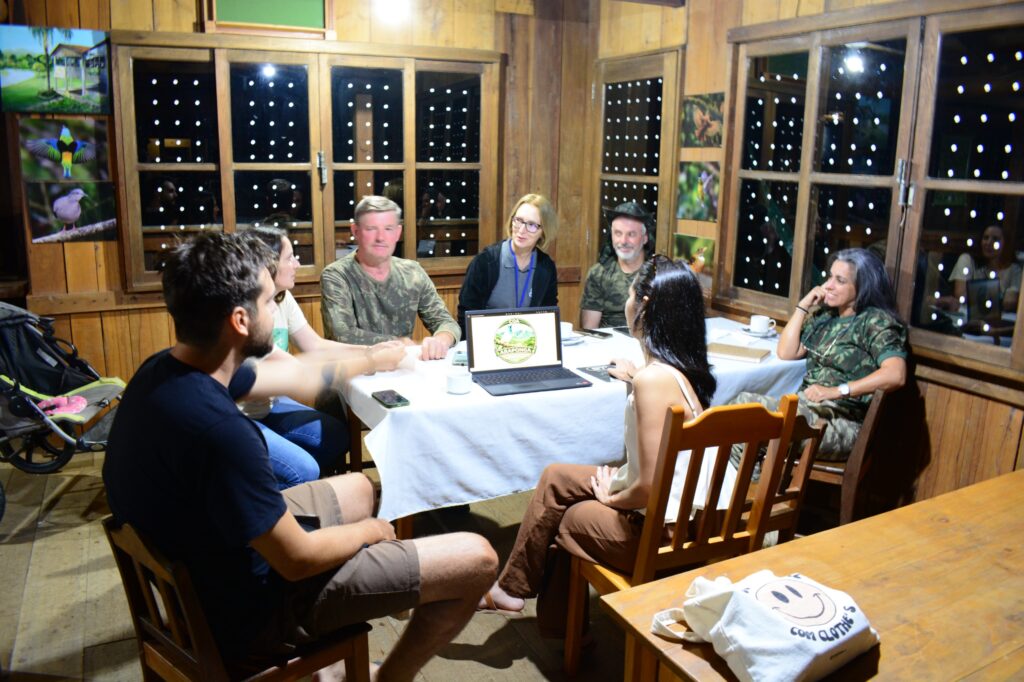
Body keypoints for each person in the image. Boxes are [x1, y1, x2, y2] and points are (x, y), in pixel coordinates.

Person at [103, 231, 497, 681]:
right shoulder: (223, 433)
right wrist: (374, 531)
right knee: (476, 558)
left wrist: (371, 359)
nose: (278, 308)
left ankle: (328, 669)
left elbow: (303, 382)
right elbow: (297, 559)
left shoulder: (166, 370)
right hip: (249, 609)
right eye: (270, 301)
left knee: (358, 487)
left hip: (200, 553)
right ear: (239, 319)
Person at [478, 256, 716, 638]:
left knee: (568, 519)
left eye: (630, 294)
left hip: (662, 529)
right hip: (684, 512)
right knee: (557, 477)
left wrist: (611, 498)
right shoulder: (676, 369)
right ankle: (512, 590)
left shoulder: (652, 381)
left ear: (644, 305)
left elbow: (649, 487)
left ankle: (560, 631)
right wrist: (635, 377)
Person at [239, 226, 392, 489]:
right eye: (290, 257)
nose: (297, 263)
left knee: (334, 436)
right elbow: (302, 376)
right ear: (268, 265)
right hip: (241, 416)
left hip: (270, 405)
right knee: (303, 469)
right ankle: (275, 501)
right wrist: (370, 361)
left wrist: (370, 351)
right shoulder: (246, 313)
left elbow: (315, 345)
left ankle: (297, 489)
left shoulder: (280, 298)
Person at [732, 248, 908, 461]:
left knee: (750, 421)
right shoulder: (826, 317)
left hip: (842, 422)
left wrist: (836, 391)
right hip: (807, 409)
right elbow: (786, 352)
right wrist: (803, 306)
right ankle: (747, 487)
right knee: (742, 409)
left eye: (840, 280)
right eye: (830, 277)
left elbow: (896, 374)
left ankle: (746, 489)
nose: (828, 285)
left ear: (862, 287)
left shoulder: (875, 322)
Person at [320, 195, 461, 361]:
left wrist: (441, 340)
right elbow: (342, 334)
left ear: (398, 233)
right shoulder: (337, 275)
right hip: (353, 372)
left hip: (401, 367)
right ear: (355, 231)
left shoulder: (413, 272)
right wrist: (400, 343)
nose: (380, 237)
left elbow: (446, 322)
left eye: (388, 229)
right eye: (371, 229)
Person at [456, 193, 559, 335]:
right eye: (518, 220)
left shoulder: (546, 267)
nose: (521, 230)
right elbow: (466, 316)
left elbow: (548, 316)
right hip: (487, 341)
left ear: (543, 232)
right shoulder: (485, 262)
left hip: (526, 344)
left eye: (531, 225)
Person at [579, 201, 653, 329]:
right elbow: (589, 330)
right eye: (618, 233)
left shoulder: (657, 274)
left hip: (646, 345)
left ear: (645, 238)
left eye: (631, 234)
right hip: (606, 346)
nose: (623, 241)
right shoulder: (598, 274)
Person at [942, 224, 1021, 316]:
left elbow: (1010, 301)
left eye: (995, 239)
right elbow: (961, 294)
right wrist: (998, 299)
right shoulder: (967, 260)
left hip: (998, 321)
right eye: (985, 238)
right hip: (965, 316)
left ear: (1005, 244)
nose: (988, 243)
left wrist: (977, 296)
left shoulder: (1014, 270)